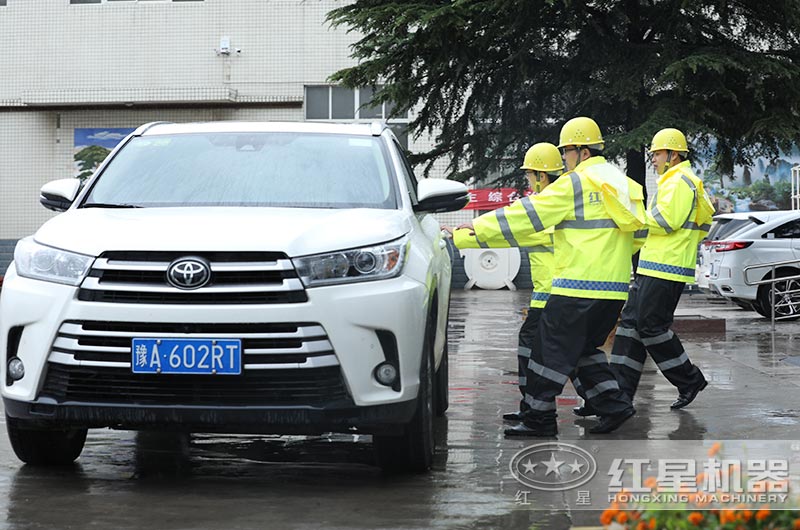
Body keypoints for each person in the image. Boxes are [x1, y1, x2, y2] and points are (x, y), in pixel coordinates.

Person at [489, 117, 645, 437]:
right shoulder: (624, 183)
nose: (565, 161)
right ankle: (615, 406)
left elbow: (524, 218)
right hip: (613, 290)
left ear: (581, 152)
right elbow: (640, 233)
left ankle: (539, 419)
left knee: (548, 350)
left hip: (578, 285)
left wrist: (468, 233)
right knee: (584, 351)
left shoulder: (574, 183)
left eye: (567, 153)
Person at [452, 142, 565, 425]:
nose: (527, 180)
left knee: (535, 349)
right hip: (553, 291)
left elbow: (508, 228)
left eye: (529, 174)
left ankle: (535, 409)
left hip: (553, 293)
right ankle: (606, 402)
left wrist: (460, 235)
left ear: (541, 175)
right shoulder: (558, 199)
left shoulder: (547, 204)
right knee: (572, 350)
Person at [609, 128, 713, 409]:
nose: (652, 159)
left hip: (666, 269)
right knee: (631, 325)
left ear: (673, 155)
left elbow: (667, 221)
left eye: (656, 153)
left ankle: (689, 380)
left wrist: (631, 215)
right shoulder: (672, 181)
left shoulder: (681, 181)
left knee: (651, 327)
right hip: (653, 267)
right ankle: (616, 396)